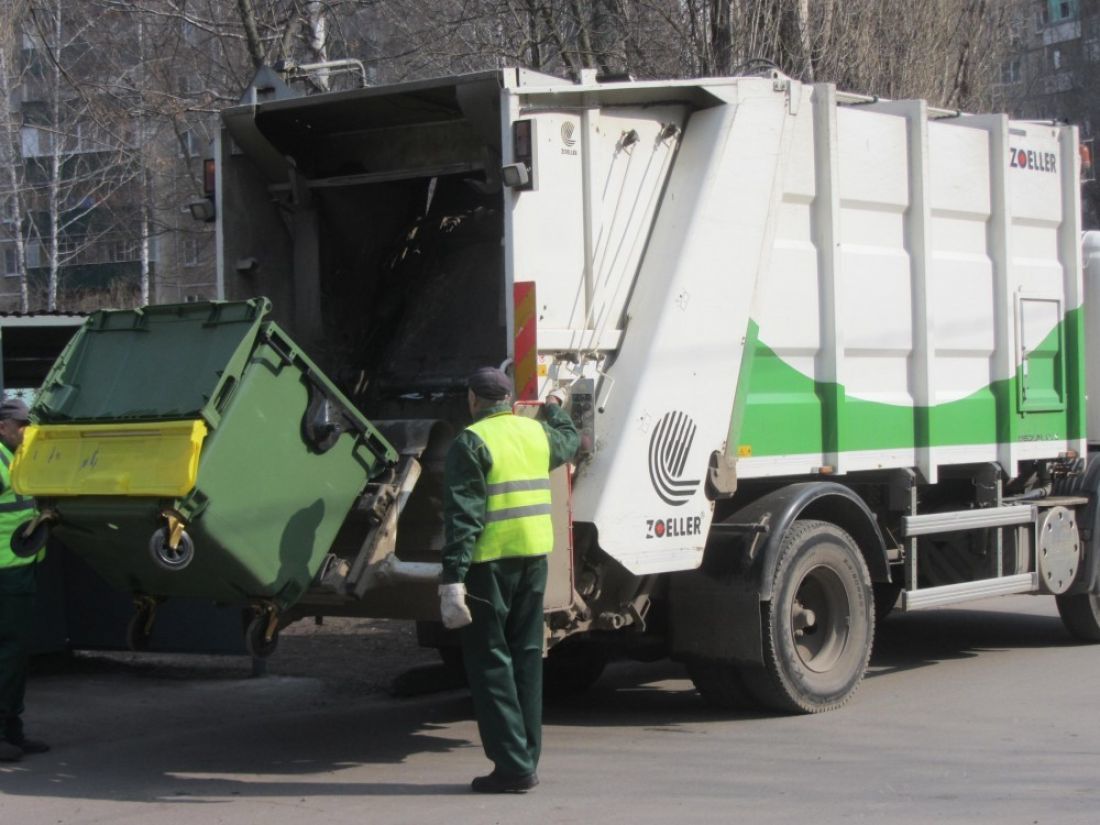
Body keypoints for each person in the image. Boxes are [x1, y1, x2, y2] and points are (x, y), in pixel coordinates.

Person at [438, 366, 579, 794]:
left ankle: (513, 767)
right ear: (509, 400)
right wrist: (555, 408)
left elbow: (464, 516)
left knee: (490, 663)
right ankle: (525, 758)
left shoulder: (471, 442)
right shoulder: (535, 434)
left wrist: (452, 578)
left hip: (489, 565)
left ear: (473, 400)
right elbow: (570, 440)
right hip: (534, 559)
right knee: (526, 656)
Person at [0, 396, 48, 762]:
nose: (27, 431)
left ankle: (12, 732)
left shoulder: (20, 459)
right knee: (8, 653)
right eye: (22, 426)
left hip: (19, 569)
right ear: (4, 427)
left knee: (15, 654)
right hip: (5, 574)